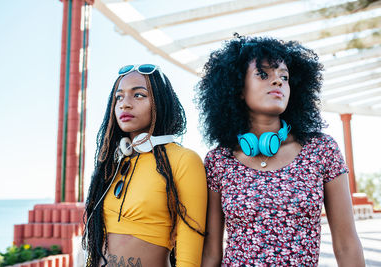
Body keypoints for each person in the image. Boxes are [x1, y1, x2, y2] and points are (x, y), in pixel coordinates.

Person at [196, 35, 365, 266]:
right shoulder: (219, 160)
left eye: (284, 77)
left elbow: (347, 244)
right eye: (263, 74)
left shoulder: (322, 150)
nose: (277, 81)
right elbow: (211, 252)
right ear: (238, 89)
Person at [83, 64, 207, 267]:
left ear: (160, 101)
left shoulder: (183, 160)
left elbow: (189, 245)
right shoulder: (113, 163)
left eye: (139, 95)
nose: (125, 104)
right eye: (119, 97)